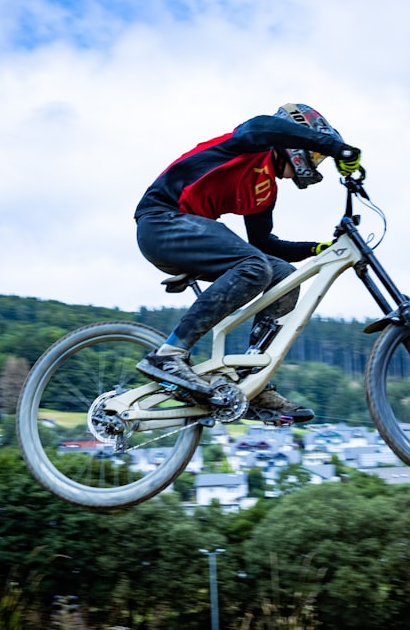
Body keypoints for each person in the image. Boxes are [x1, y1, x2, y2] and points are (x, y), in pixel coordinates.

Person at [133, 103, 362, 425]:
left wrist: (318, 247)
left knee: (282, 275)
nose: (317, 160)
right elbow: (258, 126)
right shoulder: (250, 145)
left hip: (193, 235)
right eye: (315, 152)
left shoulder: (264, 191)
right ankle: (168, 355)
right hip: (161, 222)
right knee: (255, 266)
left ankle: (250, 381)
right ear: (295, 140)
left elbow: (264, 244)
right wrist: (338, 149)